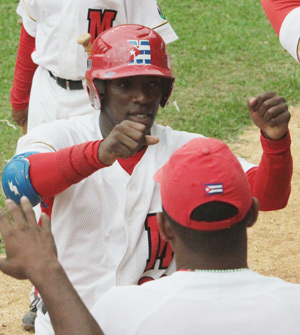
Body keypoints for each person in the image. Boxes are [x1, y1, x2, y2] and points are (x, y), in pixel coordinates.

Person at [1, 24, 293, 335]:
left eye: (152, 84)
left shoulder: (187, 150)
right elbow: (17, 181)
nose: (141, 96)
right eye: (125, 85)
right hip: (65, 323)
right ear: (99, 90)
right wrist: (98, 154)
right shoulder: (61, 136)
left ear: (165, 92)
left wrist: (274, 142)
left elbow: (267, 196)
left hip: (153, 325)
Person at [1, 137, 300, 334]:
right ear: (252, 213)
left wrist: (45, 269)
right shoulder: (293, 305)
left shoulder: (128, 309)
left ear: (166, 226)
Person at [11, 0, 178, 133]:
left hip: (103, 95)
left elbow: (150, 45)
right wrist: (19, 99)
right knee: (39, 166)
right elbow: (30, 35)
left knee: (102, 170)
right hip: (46, 92)